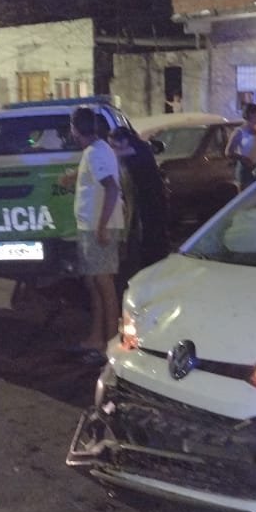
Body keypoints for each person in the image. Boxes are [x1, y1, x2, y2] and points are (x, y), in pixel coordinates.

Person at [71, 106, 123, 363]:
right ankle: (97, 337)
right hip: (92, 227)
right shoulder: (96, 151)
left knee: (104, 286)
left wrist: (102, 226)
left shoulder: (95, 153)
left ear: (74, 128)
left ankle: (110, 344)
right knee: (95, 284)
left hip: (98, 228)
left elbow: (111, 188)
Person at [109, 124, 170, 276]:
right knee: (150, 231)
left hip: (149, 196)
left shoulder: (138, 149)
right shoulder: (139, 147)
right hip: (147, 196)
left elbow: (116, 154)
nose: (112, 147)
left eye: (114, 143)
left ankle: (153, 264)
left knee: (151, 231)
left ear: (124, 141)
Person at [225, 102, 256, 190]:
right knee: (246, 198)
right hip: (245, 169)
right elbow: (228, 152)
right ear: (251, 114)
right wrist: (243, 158)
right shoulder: (240, 131)